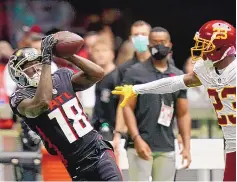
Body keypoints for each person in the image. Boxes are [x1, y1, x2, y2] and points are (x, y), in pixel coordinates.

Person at [112, 20, 236, 181]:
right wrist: (136, 89)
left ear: (221, 47)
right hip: (232, 142)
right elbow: (173, 83)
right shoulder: (206, 69)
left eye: (206, 44)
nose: (201, 48)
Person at [8, 35, 123, 181]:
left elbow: (97, 74)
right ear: (18, 73)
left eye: (38, 62)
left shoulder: (61, 76)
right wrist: (46, 60)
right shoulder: (19, 98)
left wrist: (69, 56)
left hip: (98, 150)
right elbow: (42, 102)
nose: (37, 68)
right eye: (29, 66)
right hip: (75, 164)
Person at [115, 26, 191, 181]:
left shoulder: (178, 76)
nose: (159, 46)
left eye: (162, 42)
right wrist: (136, 138)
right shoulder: (134, 73)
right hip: (139, 144)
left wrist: (187, 147)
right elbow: (127, 108)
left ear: (170, 45)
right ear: (149, 45)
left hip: (166, 145)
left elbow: (183, 113)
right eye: (154, 42)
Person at [113, 20, 152, 161]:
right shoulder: (125, 69)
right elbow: (122, 101)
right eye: (136, 35)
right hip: (134, 129)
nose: (140, 38)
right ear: (130, 38)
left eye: (143, 34)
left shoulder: (162, 64)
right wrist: (118, 133)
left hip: (160, 129)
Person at [90, 38, 117, 141]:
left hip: (114, 130)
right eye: (97, 51)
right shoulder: (96, 77)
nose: (100, 54)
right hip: (98, 128)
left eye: (104, 50)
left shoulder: (117, 76)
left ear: (112, 53)